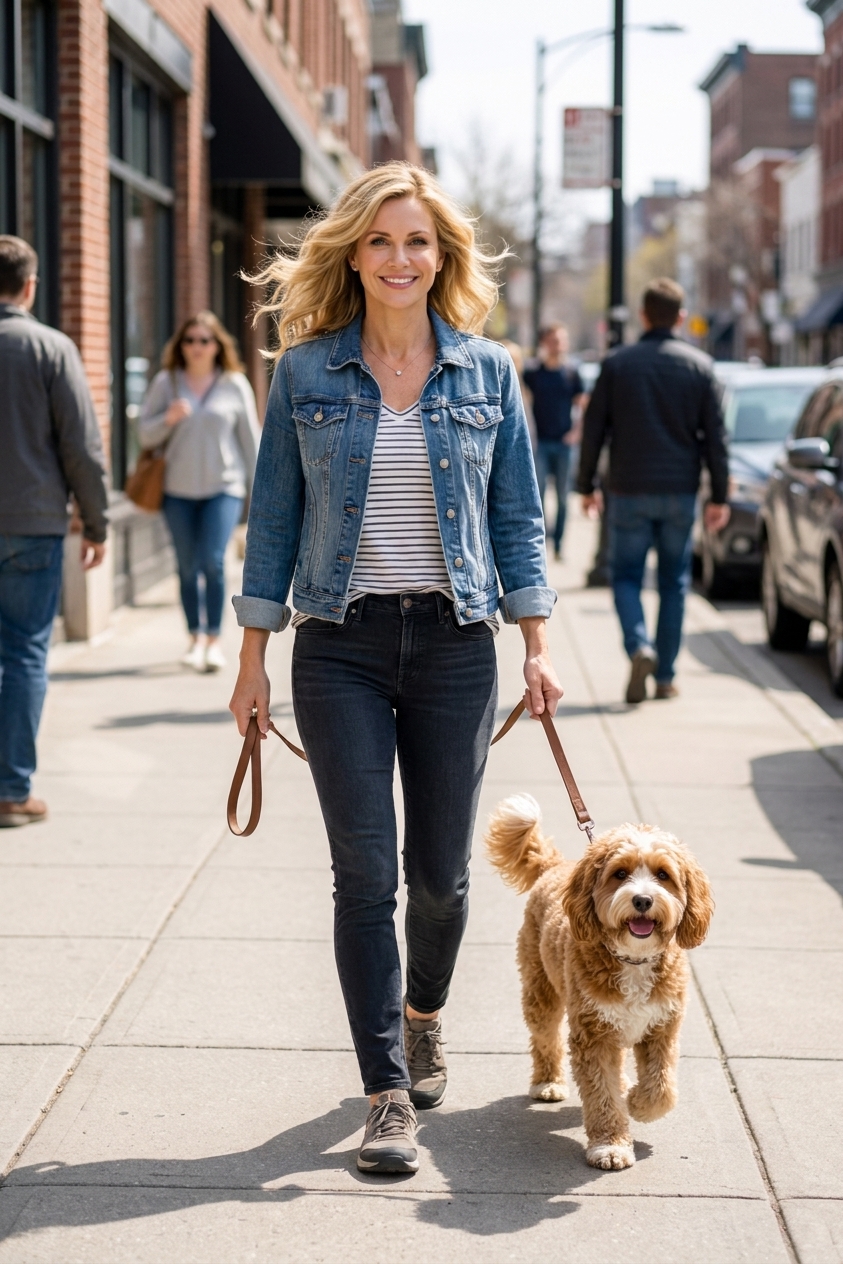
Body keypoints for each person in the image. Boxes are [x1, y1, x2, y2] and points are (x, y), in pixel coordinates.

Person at [228, 162, 562, 1177]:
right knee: (366, 874)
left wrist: (536, 645)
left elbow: (517, 519)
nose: (398, 257)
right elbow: (274, 521)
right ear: (352, 254)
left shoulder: (488, 373)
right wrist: (252, 660)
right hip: (342, 644)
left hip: (457, 644)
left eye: (416, 240)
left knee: (443, 880)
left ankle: (423, 1017)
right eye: (379, 240)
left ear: (441, 255)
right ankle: (386, 1093)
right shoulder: (306, 372)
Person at [577, 278, 730, 704]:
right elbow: (716, 439)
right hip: (680, 490)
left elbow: (593, 429)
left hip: (628, 488)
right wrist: (719, 496)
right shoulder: (700, 366)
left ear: (643, 315)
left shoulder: (617, 364)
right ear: (681, 317)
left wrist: (586, 485)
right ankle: (664, 676)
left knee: (626, 576)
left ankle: (638, 645)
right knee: (673, 582)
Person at [0, 235, 108, 827]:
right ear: (31, 286)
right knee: (23, 655)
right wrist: (96, 522)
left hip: (35, 525)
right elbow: (81, 447)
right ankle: (12, 791)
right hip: (33, 525)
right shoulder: (51, 348)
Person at [138, 312, 260, 673]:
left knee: (213, 561)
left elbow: (251, 443)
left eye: (204, 340)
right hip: (177, 491)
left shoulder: (234, 384)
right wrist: (167, 419)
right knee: (187, 566)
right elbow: (144, 435)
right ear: (181, 346)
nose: (196, 347)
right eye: (190, 340)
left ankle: (213, 640)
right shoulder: (167, 382)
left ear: (217, 345)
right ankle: (194, 638)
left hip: (224, 488)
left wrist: (262, 497)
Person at [523, 324, 587, 560]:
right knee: (537, 497)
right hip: (539, 443)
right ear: (544, 343)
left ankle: (559, 544)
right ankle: (540, 544)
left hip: (564, 443)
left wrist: (576, 432)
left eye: (561, 340)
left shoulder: (571, 373)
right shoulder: (534, 373)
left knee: (563, 498)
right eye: (553, 340)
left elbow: (583, 405)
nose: (557, 345)